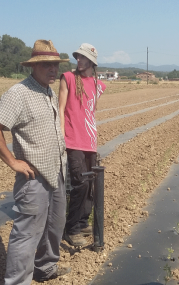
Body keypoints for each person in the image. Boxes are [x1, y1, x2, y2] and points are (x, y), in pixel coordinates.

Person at [0, 40, 71, 284]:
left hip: (57, 171)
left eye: (55, 65)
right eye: (47, 65)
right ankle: (18, 281)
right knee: (27, 233)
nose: (53, 70)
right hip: (34, 177)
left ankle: (46, 268)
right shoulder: (19, 94)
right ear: (33, 66)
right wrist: (14, 162)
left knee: (55, 225)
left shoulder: (47, 90)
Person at [59, 43, 106, 246]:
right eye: (77, 57)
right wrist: (61, 136)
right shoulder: (68, 78)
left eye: (83, 58)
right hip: (73, 139)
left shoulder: (98, 85)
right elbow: (61, 108)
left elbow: (90, 112)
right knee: (80, 182)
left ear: (91, 62)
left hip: (90, 140)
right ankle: (71, 229)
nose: (78, 60)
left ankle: (82, 221)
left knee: (90, 185)